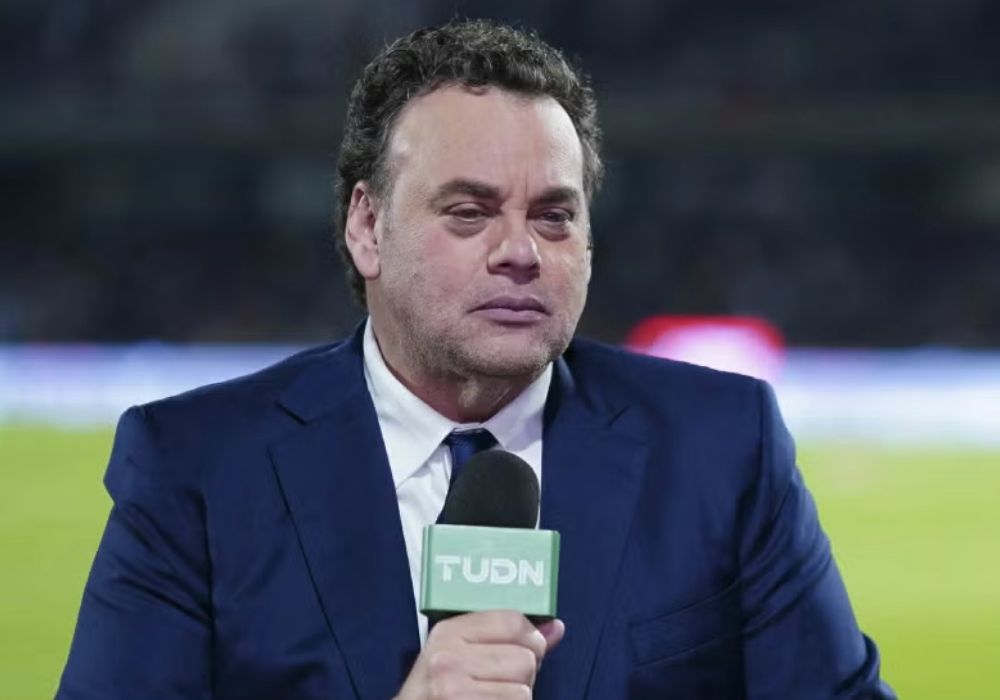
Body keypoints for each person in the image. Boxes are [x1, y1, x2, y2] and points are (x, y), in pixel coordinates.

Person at [56, 19, 893, 700]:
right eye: (469, 211)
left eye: (555, 216)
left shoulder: (721, 447)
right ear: (367, 227)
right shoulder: (196, 470)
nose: (521, 251)